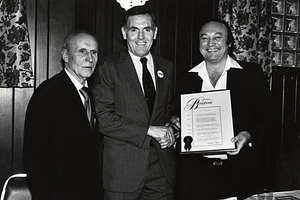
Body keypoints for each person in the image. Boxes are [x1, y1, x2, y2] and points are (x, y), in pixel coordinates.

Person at [175, 20, 275, 200]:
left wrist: (248, 135)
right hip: (196, 173)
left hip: (239, 171)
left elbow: (269, 118)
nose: (210, 44)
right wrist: (175, 120)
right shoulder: (185, 78)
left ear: (229, 43)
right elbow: (174, 113)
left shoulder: (250, 74)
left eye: (217, 38)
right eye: (204, 38)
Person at [92, 6, 180, 200]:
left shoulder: (166, 66)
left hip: (161, 172)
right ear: (124, 33)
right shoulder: (108, 66)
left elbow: (165, 110)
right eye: (134, 30)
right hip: (123, 173)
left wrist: (173, 124)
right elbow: (105, 120)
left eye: (147, 29)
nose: (141, 36)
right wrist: (149, 130)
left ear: (155, 32)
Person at [23, 30, 102, 200]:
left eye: (94, 52)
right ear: (65, 56)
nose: (90, 58)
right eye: (82, 51)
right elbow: (35, 159)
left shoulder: (94, 94)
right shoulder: (48, 94)